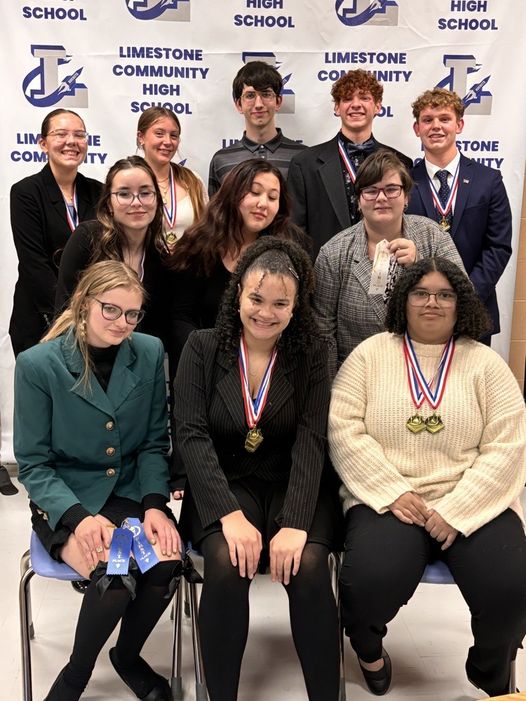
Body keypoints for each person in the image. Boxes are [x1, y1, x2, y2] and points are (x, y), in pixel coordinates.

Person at [328, 257, 526, 698]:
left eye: (444, 294)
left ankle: (491, 671)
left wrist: (459, 509)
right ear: (404, 300)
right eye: (421, 293)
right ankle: (370, 653)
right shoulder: (370, 355)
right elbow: (343, 429)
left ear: (461, 304)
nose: (432, 303)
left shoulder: (485, 364)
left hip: (471, 501)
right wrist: (391, 490)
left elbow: (507, 446)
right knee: (364, 584)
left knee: (511, 589)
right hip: (390, 499)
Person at [174, 236, 341, 701]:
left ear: (295, 307)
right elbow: (190, 434)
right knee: (227, 565)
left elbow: (313, 438)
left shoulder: (312, 352)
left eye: (280, 303)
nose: (265, 312)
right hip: (225, 483)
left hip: (295, 484)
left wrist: (295, 523)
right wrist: (228, 516)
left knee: (307, 566)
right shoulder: (202, 348)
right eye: (256, 298)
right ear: (238, 296)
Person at [14, 260, 183, 701]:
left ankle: (126, 657)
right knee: (114, 576)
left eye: (132, 314)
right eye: (110, 310)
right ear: (84, 303)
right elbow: (33, 463)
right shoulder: (38, 365)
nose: (122, 323)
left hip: (128, 493)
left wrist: (153, 504)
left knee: (165, 564)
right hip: (67, 497)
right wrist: (77, 518)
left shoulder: (148, 352)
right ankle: (76, 675)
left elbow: (151, 443)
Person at [313, 149, 465, 378]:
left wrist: (423, 268)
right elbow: (323, 333)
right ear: (359, 199)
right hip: (358, 376)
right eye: (371, 190)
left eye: (391, 189)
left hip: (426, 372)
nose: (381, 198)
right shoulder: (333, 253)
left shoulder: (432, 236)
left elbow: (465, 301)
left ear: (406, 197)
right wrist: (333, 390)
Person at [168, 158, 306, 368]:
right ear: (233, 192)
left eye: (272, 197)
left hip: (266, 368)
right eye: (255, 192)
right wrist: (200, 360)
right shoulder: (198, 244)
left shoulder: (289, 249)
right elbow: (181, 316)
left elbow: (297, 317)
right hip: (205, 364)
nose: (263, 203)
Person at [406, 88, 512, 345]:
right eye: (428, 120)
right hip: (419, 308)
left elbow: (498, 246)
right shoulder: (404, 181)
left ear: (459, 125)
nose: (436, 127)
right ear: (416, 128)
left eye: (444, 119)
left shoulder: (488, 180)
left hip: (473, 309)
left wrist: (466, 294)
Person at [287, 69, 413, 256]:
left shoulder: (401, 162)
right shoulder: (305, 164)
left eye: (364, 98)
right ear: (337, 108)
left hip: (384, 270)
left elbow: (406, 224)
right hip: (325, 275)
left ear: (378, 106)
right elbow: (295, 234)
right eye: (347, 99)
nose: (356, 105)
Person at [9, 108, 102, 356]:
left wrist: (92, 314)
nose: (71, 141)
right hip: (41, 318)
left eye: (79, 135)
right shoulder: (26, 192)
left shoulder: (99, 192)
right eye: (61, 134)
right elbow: (34, 264)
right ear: (43, 143)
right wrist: (71, 315)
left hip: (93, 320)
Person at [55, 155, 169, 341]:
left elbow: (158, 328)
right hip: (84, 355)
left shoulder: (161, 258)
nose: (136, 202)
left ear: (157, 199)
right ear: (109, 203)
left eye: (146, 193)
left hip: (133, 361)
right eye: (124, 194)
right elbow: (65, 312)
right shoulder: (87, 239)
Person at [208, 60, 307, 196]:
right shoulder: (221, 160)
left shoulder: (303, 157)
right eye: (250, 95)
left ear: (278, 101)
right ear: (238, 104)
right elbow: (217, 216)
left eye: (266, 94)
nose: (259, 104)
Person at [137, 106, 207, 248]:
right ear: (141, 137)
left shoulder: (193, 181)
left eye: (174, 135)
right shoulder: (128, 181)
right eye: (159, 134)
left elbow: (207, 232)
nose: (168, 141)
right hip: (143, 268)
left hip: (187, 266)